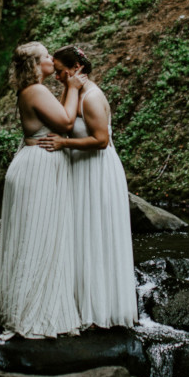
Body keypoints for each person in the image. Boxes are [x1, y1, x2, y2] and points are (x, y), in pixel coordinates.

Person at [38, 45, 139, 329]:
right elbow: (63, 120)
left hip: (98, 172)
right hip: (81, 172)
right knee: (81, 236)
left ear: (76, 68)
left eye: (60, 71)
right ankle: (81, 305)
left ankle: (102, 311)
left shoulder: (92, 97)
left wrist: (64, 144)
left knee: (97, 235)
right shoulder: (75, 92)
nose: (56, 76)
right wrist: (68, 87)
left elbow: (101, 140)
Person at [0, 41, 85, 338]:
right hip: (38, 169)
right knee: (40, 237)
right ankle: (33, 313)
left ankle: (30, 306)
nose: (51, 58)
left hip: (36, 164)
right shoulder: (35, 91)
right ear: (35, 65)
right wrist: (72, 87)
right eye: (47, 55)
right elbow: (67, 122)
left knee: (38, 237)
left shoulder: (33, 91)